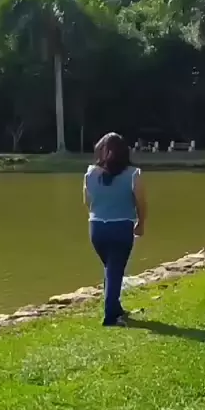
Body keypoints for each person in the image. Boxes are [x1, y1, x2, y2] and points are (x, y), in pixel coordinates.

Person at [84, 133, 147, 327]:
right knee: (114, 270)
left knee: (111, 269)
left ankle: (115, 307)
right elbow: (141, 203)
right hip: (121, 227)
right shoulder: (133, 174)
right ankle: (110, 316)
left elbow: (87, 202)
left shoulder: (90, 174)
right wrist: (141, 223)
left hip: (96, 229)